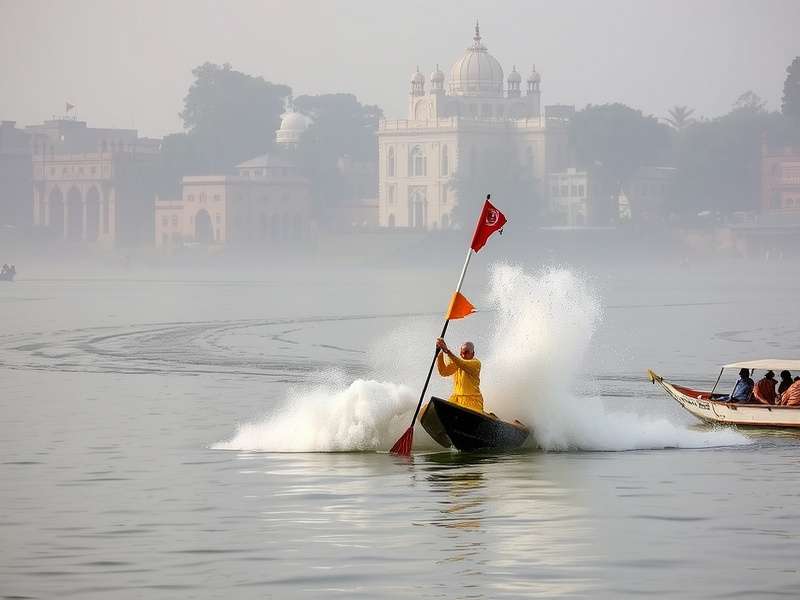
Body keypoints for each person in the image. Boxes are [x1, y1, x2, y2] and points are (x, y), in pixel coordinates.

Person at [435, 337, 484, 412]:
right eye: (462, 352)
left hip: (472, 400)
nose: (463, 355)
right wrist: (440, 352)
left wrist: (447, 351)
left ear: (473, 353)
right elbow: (443, 372)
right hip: (456, 399)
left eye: (466, 352)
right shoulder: (457, 362)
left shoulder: (476, 364)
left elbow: (462, 364)